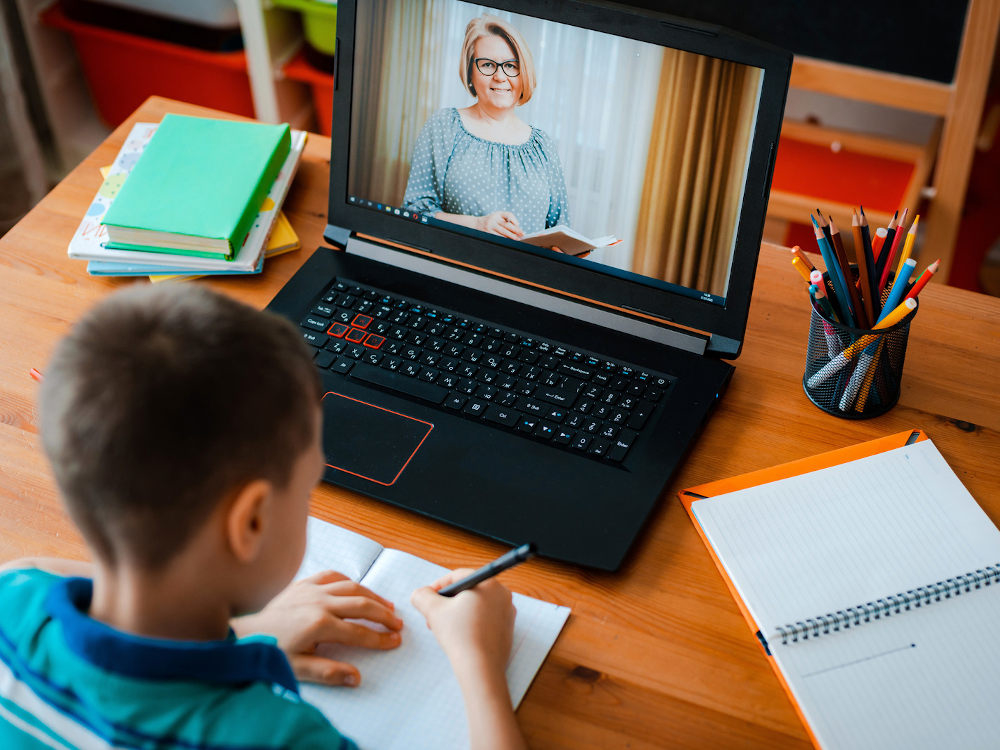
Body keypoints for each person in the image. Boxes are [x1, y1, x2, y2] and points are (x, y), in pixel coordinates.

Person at [0, 284, 525, 750]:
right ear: (249, 522)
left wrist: (243, 630)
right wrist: (481, 663)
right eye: (307, 488)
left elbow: (32, 567)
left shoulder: (13, 602)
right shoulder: (277, 736)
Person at [402, 14, 569, 241]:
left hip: (523, 274)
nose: (500, 76)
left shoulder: (543, 146)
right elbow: (414, 213)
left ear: (524, 73)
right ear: (470, 71)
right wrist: (477, 224)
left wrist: (567, 249)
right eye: (488, 65)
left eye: (511, 65)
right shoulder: (443, 127)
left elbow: (560, 228)